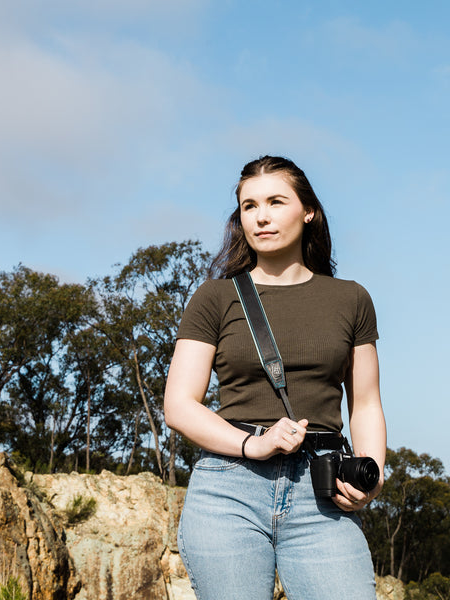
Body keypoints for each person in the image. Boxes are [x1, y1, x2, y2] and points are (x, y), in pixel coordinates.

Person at [164, 155, 387, 600]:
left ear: (309, 211)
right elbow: (179, 406)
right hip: (229, 489)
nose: (261, 216)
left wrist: (372, 473)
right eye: (249, 206)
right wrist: (253, 444)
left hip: (322, 493)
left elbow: (365, 403)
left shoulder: (351, 299)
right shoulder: (215, 297)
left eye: (275, 201)